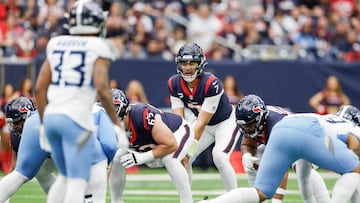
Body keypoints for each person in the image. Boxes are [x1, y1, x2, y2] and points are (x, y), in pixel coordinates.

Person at [34, 1, 128, 202]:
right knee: (77, 181)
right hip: (75, 120)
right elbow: (102, 88)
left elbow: (40, 88)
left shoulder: (56, 43)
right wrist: (117, 125)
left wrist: (43, 124)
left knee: (65, 177)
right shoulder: (99, 46)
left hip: (51, 117)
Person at [198, 112, 360, 203]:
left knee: (262, 192)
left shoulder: (333, 120)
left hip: (287, 127)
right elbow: (353, 158)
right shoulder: (353, 129)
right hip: (307, 130)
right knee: (354, 169)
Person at [0, 96, 119, 203]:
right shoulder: (101, 113)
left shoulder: (30, 122)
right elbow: (110, 145)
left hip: (38, 121)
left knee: (23, 174)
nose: (15, 128)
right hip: (67, 132)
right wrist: (105, 166)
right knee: (90, 172)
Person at [167, 42, 240, 191]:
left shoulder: (210, 83)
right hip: (205, 125)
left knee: (219, 156)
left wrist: (189, 152)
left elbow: (201, 123)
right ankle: (186, 200)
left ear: (200, 63)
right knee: (180, 158)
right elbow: (179, 123)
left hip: (224, 122)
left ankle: (234, 197)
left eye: (192, 63)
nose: (187, 67)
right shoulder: (174, 83)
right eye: (184, 63)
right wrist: (183, 152)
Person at [108, 88, 194, 203]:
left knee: (170, 159)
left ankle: (187, 201)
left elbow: (171, 144)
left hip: (177, 132)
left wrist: (141, 157)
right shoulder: (107, 125)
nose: (109, 112)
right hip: (150, 145)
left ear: (123, 108)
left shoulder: (141, 115)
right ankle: (116, 201)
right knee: (117, 158)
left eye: (112, 108)